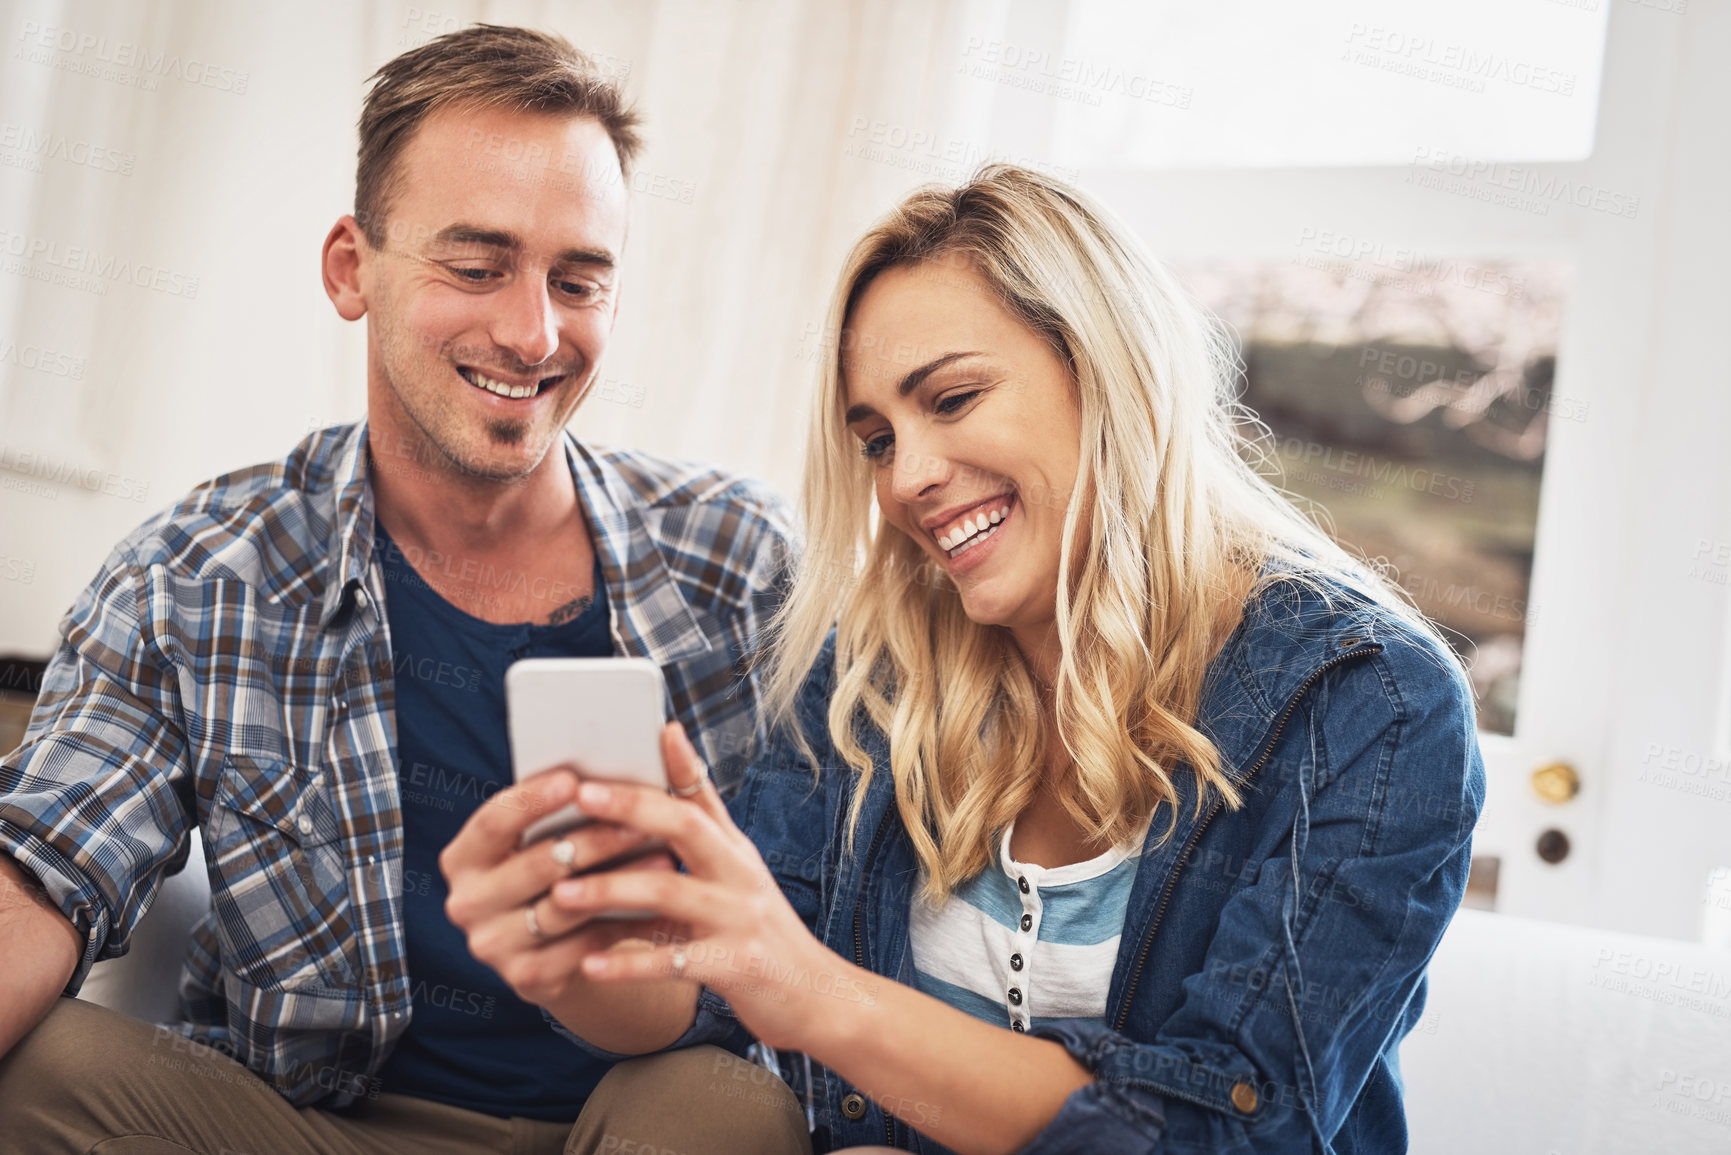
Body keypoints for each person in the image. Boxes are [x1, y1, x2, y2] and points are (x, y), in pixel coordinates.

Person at [518, 165, 1487, 1154]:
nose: (911, 479)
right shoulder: (877, 666)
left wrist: (819, 999)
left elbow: (1235, 1127)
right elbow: (726, 996)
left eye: (955, 397)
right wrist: (587, 956)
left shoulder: (1372, 705)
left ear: (1108, 369)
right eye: (878, 441)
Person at [0, 24, 810, 1155]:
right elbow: (45, 865)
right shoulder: (198, 573)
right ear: (352, 268)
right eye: (476, 267)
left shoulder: (744, 562)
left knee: (730, 1109)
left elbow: (813, 938)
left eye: (577, 281)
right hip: (305, 1122)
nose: (532, 334)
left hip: (618, 1124)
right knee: (46, 1064)